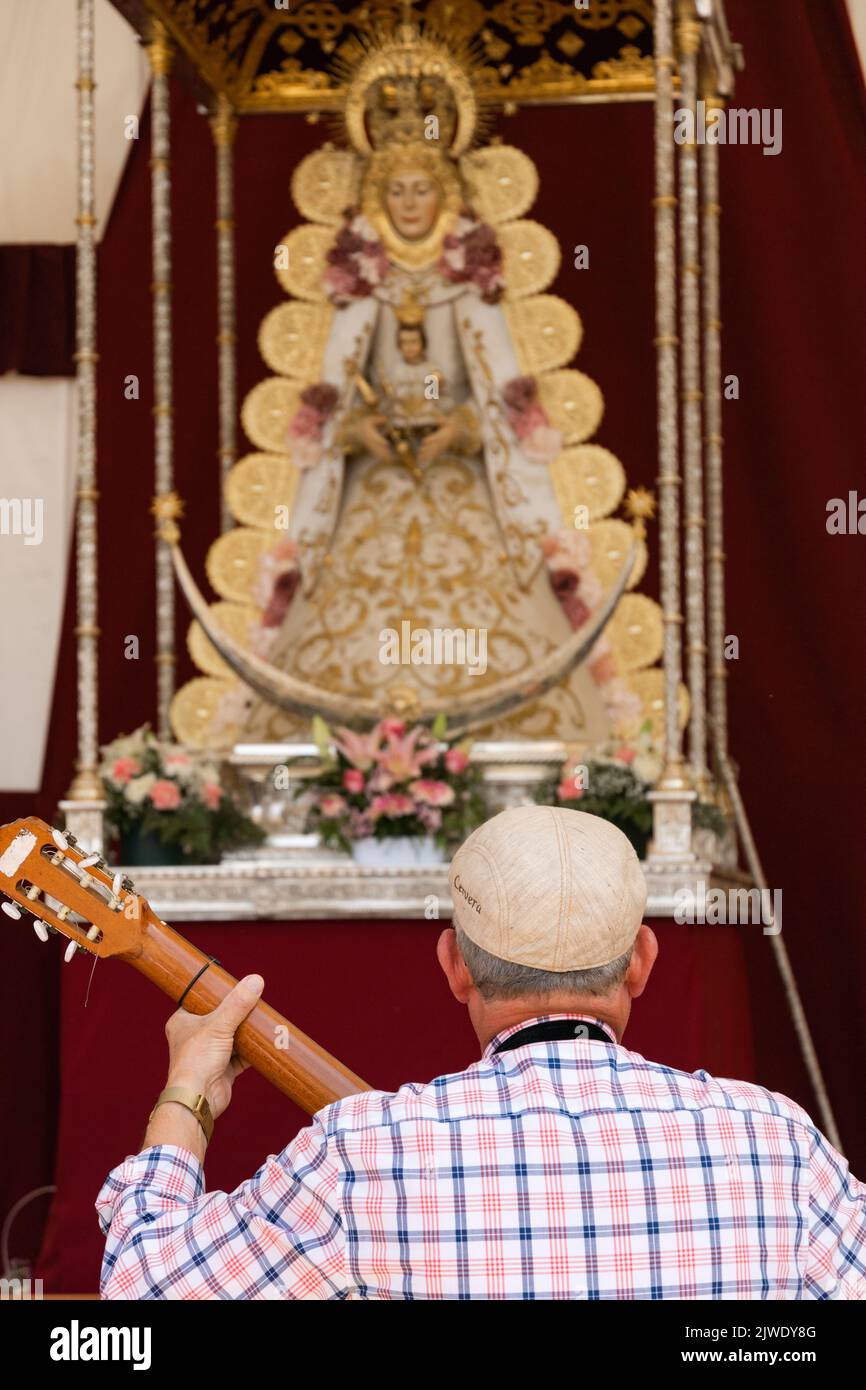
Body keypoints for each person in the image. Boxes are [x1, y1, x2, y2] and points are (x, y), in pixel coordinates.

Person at [96, 806, 866, 1299]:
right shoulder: (777, 1144)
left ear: (453, 965)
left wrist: (187, 1096)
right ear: (641, 962)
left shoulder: (362, 1153)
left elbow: (141, 1292)